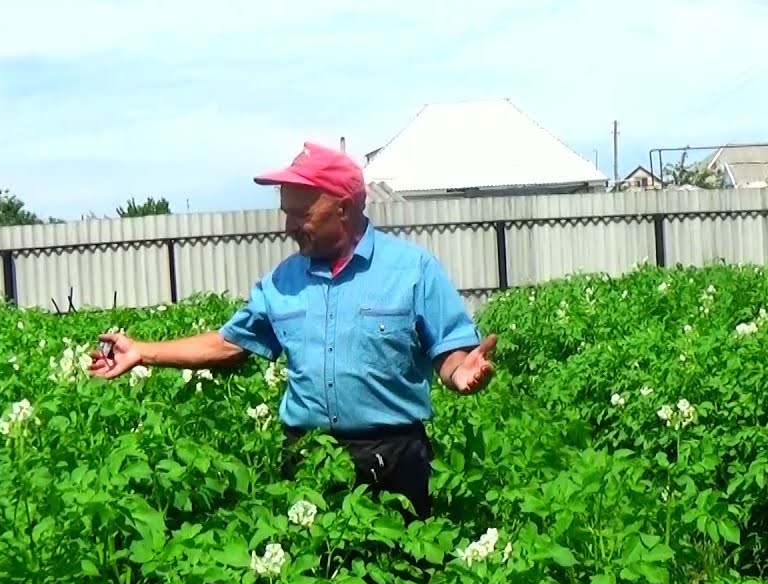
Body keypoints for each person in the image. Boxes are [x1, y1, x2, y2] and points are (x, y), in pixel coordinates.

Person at [88, 141, 496, 522]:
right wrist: (142, 351)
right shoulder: (283, 281)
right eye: (286, 212)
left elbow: (448, 351)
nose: (289, 226)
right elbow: (229, 344)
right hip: (308, 459)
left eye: (301, 214)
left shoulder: (412, 270)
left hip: (394, 460)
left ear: (345, 207)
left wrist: (459, 372)